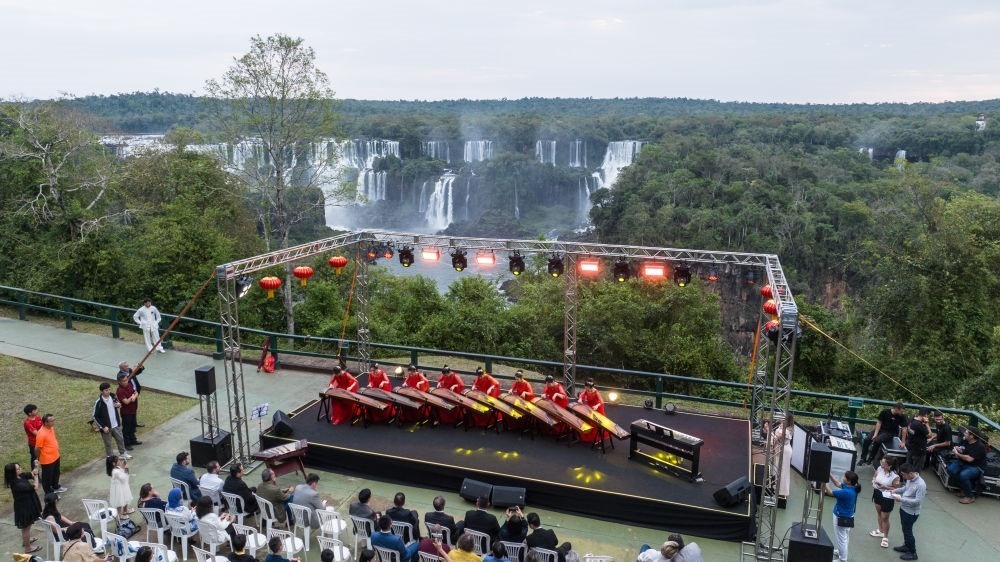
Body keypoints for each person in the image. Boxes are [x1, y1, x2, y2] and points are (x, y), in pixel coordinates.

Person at [890, 463, 926, 561]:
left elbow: (917, 501)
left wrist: (901, 499)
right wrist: (895, 491)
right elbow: (905, 488)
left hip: (911, 513)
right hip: (904, 509)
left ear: (910, 473)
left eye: (904, 475)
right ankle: (906, 546)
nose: (903, 477)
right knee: (905, 530)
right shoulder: (909, 479)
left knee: (908, 531)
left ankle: (913, 552)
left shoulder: (921, 485)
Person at [5, 462, 43, 553]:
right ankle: (28, 548)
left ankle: (26, 541)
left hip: (27, 504)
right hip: (24, 508)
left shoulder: (20, 476)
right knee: (26, 528)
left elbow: (31, 473)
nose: (20, 469)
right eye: (18, 469)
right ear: (13, 472)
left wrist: (36, 466)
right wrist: (36, 477)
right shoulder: (17, 484)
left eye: (19, 467)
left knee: (27, 526)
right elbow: (35, 487)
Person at [825, 471, 860, 562]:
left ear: (849, 481)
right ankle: (841, 552)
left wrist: (823, 482)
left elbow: (830, 492)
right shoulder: (853, 487)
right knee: (845, 537)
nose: (843, 478)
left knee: (841, 539)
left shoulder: (846, 492)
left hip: (841, 517)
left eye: (844, 477)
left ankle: (843, 559)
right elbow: (837, 483)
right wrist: (829, 474)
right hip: (848, 516)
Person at [947, 426, 988, 504]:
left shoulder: (979, 446)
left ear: (972, 436)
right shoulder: (965, 440)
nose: (964, 433)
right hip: (963, 462)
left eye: (966, 433)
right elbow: (962, 449)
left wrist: (957, 454)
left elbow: (969, 459)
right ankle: (964, 489)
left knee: (963, 475)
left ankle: (970, 496)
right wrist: (958, 449)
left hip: (976, 466)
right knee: (950, 470)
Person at [869, 456, 900, 549]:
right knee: (879, 513)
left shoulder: (895, 476)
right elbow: (875, 476)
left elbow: (896, 489)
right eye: (881, 462)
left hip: (887, 497)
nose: (881, 464)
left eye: (883, 463)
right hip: (877, 493)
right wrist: (874, 480)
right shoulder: (879, 468)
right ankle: (880, 531)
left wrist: (886, 487)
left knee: (885, 517)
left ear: (889, 466)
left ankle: (885, 537)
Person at [862, 402, 907, 466]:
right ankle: (863, 458)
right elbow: (879, 422)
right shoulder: (885, 412)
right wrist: (875, 434)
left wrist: (903, 442)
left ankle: (870, 459)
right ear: (896, 409)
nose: (902, 413)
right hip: (880, 429)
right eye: (901, 411)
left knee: (877, 441)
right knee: (867, 439)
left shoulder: (902, 416)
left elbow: (904, 429)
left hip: (890, 432)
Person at [92, 383, 130, 458]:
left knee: (120, 439)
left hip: (116, 424)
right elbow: (95, 416)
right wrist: (103, 427)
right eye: (106, 390)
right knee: (108, 443)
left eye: (109, 389)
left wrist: (119, 405)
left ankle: (123, 454)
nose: (108, 391)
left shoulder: (113, 397)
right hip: (106, 427)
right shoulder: (99, 402)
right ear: (101, 391)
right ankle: (111, 457)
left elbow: (119, 404)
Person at [35, 412, 67, 494]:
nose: (53, 422)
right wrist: (38, 458)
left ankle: (55, 486)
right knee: (47, 477)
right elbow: (37, 448)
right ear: (45, 423)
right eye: (51, 421)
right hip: (47, 460)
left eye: (53, 420)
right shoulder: (41, 434)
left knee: (56, 473)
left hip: (56, 456)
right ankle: (48, 492)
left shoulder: (51, 428)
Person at [767, 414, 794, 498]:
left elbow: (776, 438)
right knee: (778, 469)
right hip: (780, 450)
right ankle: (777, 487)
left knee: (782, 471)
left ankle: (781, 491)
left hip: (784, 452)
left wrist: (768, 430)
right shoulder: (782, 426)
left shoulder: (787, 430)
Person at [116, 373, 141, 448]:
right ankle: (126, 443)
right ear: (119, 382)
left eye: (126, 380)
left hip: (133, 410)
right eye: (123, 381)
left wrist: (134, 397)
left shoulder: (129, 385)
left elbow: (136, 392)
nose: (126, 382)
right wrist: (131, 397)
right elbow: (126, 402)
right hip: (126, 412)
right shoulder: (120, 391)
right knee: (126, 428)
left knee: (132, 426)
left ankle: (133, 440)